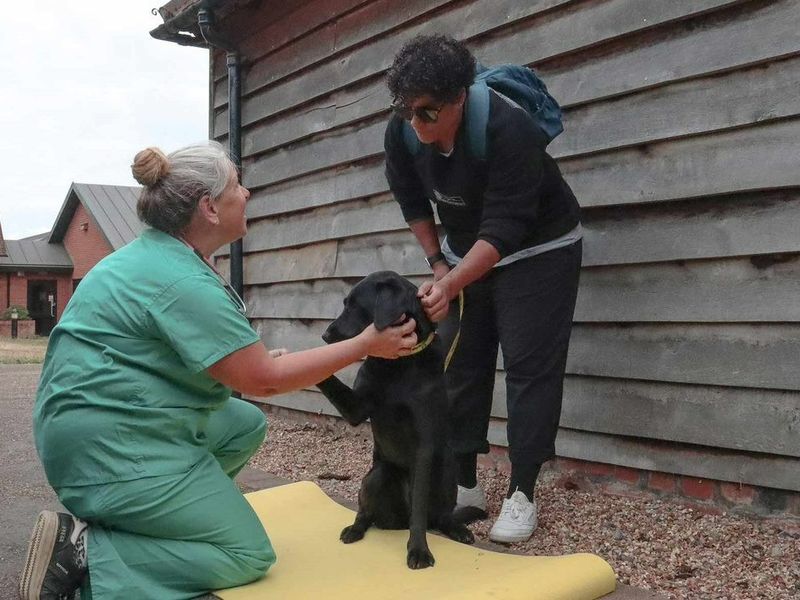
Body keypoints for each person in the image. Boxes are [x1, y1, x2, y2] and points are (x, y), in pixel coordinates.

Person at [20, 141, 418, 600]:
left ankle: (157, 520)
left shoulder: (155, 258)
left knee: (242, 424)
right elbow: (263, 378)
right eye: (236, 185)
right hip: (106, 449)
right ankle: (91, 557)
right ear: (209, 207)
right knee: (246, 554)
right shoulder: (182, 280)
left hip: (98, 425)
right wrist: (366, 345)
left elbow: (247, 368)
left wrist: (275, 364)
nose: (246, 194)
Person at [383, 35, 582, 544]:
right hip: (462, 251)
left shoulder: (508, 128)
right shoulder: (404, 131)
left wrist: (449, 282)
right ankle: (466, 483)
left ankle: (523, 491)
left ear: (459, 99)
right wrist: (436, 264)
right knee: (463, 364)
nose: (415, 123)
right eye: (407, 111)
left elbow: (505, 228)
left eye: (427, 113)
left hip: (539, 248)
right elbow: (411, 200)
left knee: (528, 367)